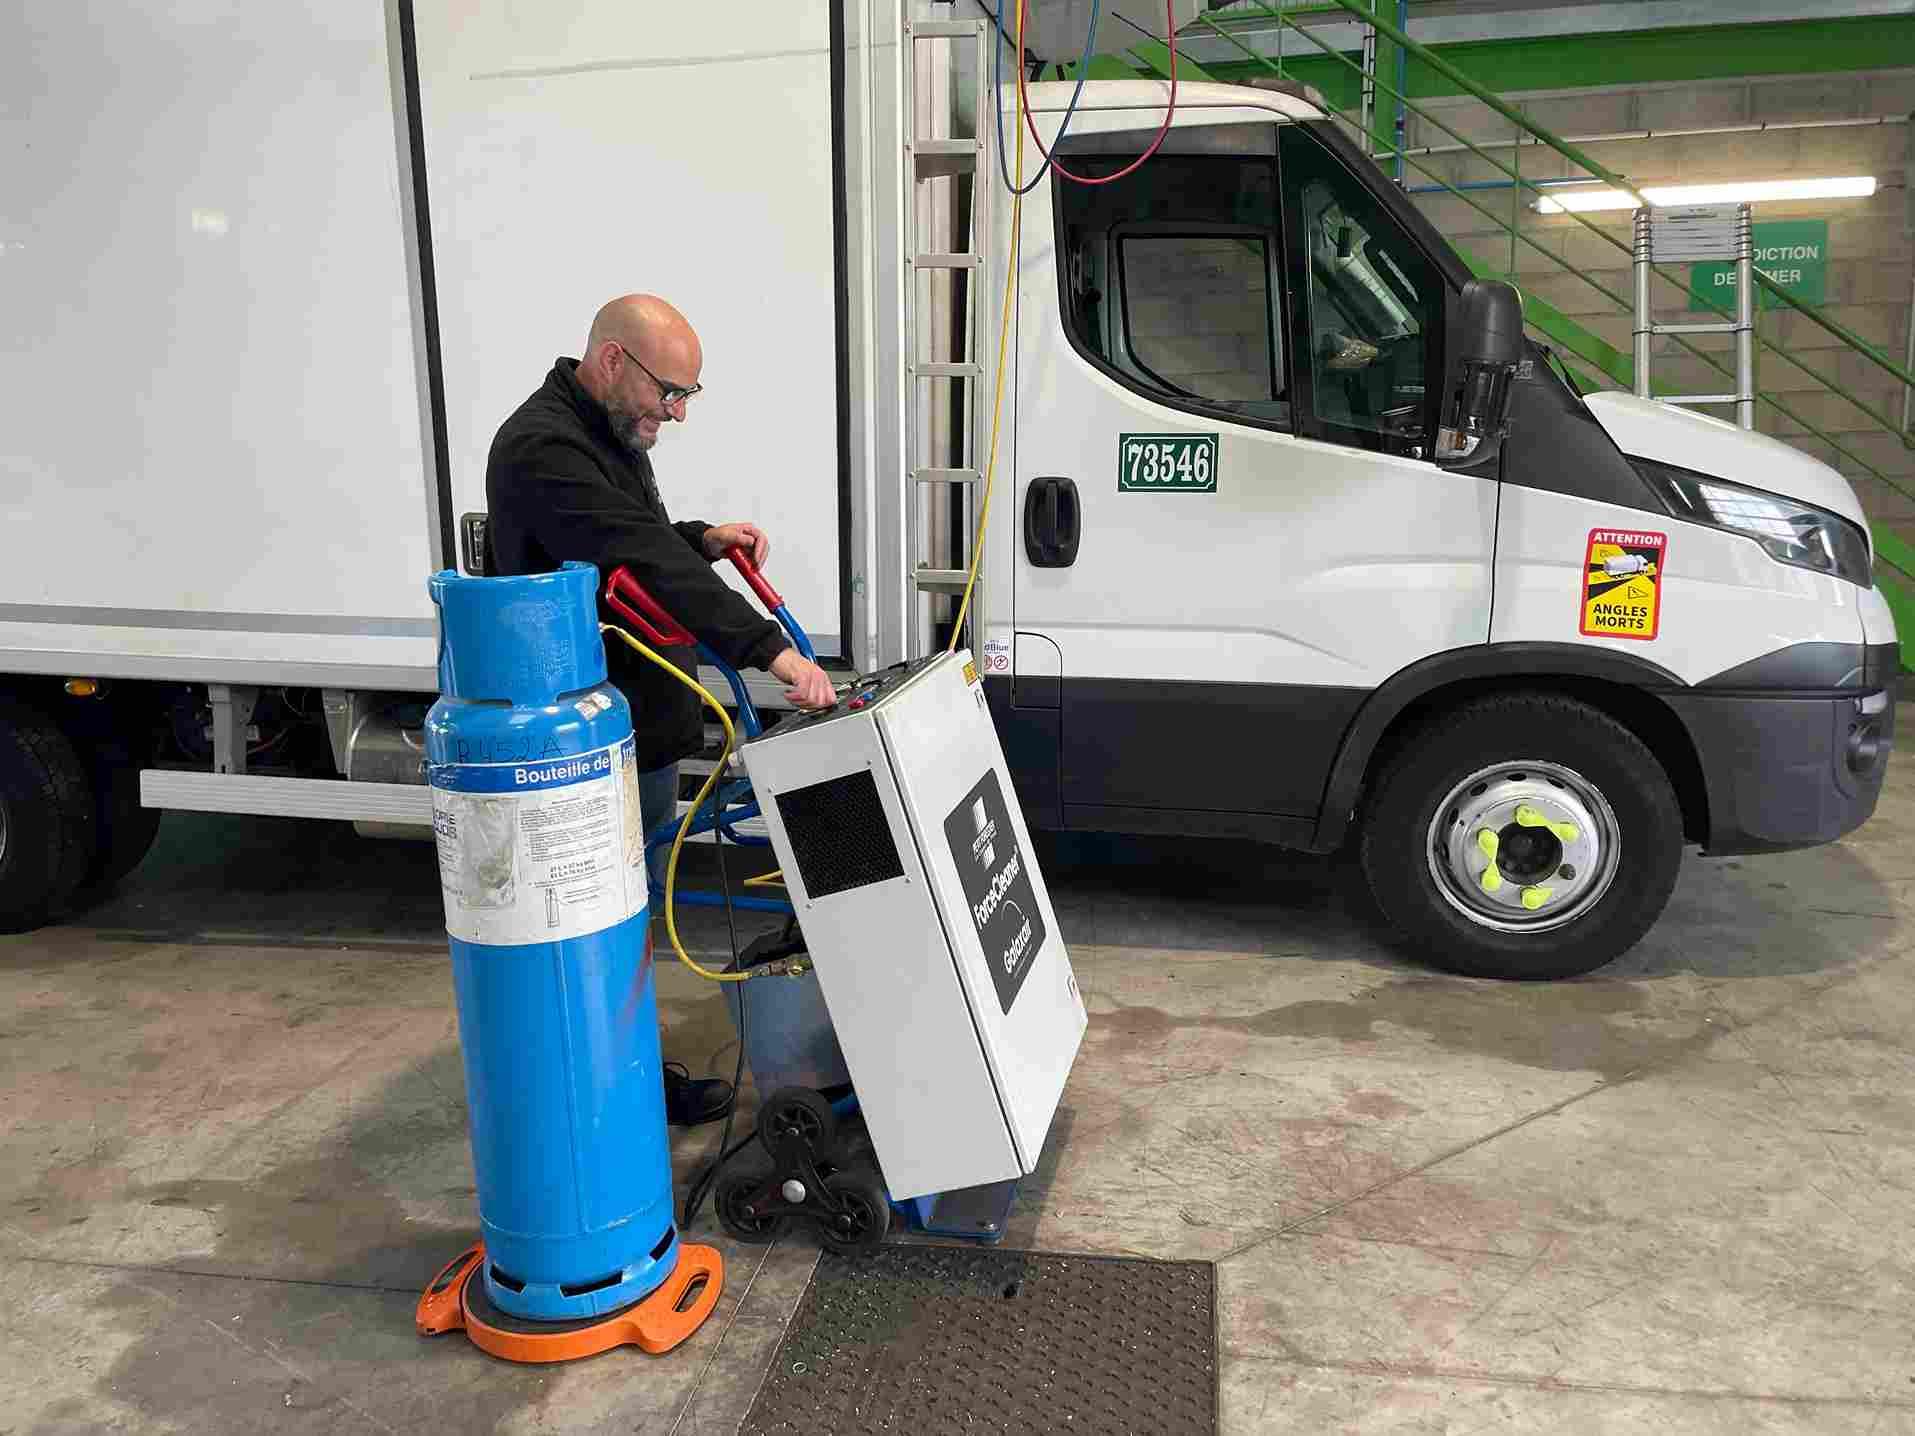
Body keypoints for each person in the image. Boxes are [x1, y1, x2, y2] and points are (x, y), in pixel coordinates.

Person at [485, 293, 835, 1126]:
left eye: (686, 398)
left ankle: (624, 1084)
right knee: (596, 933)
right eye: (668, 393)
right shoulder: (544, 447)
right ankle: (605, 1106)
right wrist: (771, 653)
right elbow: (631, 551)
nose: (673, 414)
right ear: (612, 361)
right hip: (584, 745)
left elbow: (627, 539)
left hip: (633, 727)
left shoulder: (604, 429)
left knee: (624, 922)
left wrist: (699, 537)